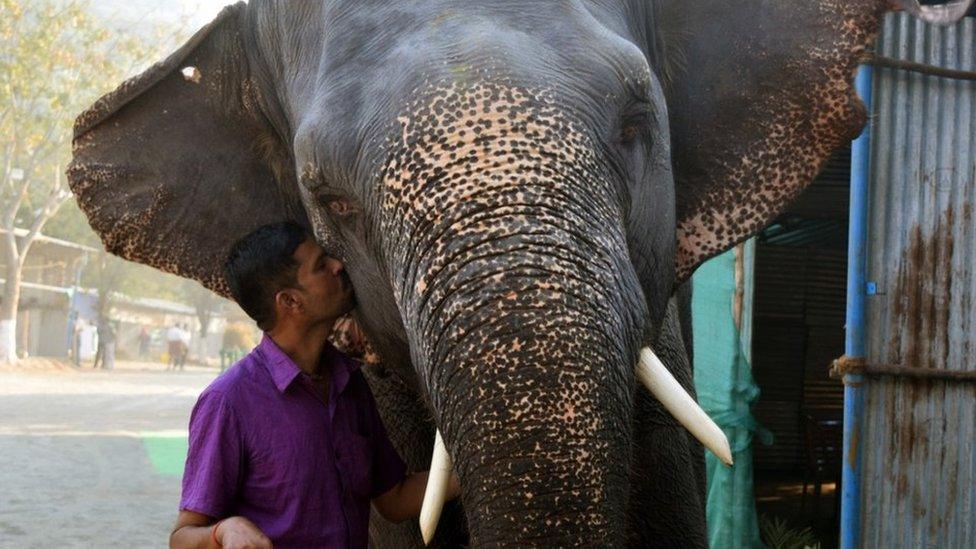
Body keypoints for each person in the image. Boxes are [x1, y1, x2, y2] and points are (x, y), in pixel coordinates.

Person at [169, 222, 459, 549]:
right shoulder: (229, 401)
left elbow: (394, 498)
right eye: (321, 266)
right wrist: (222, 531)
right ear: (291, 301)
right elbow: (182, 538)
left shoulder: (351, 384)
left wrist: (476, 469)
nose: (338, 266)